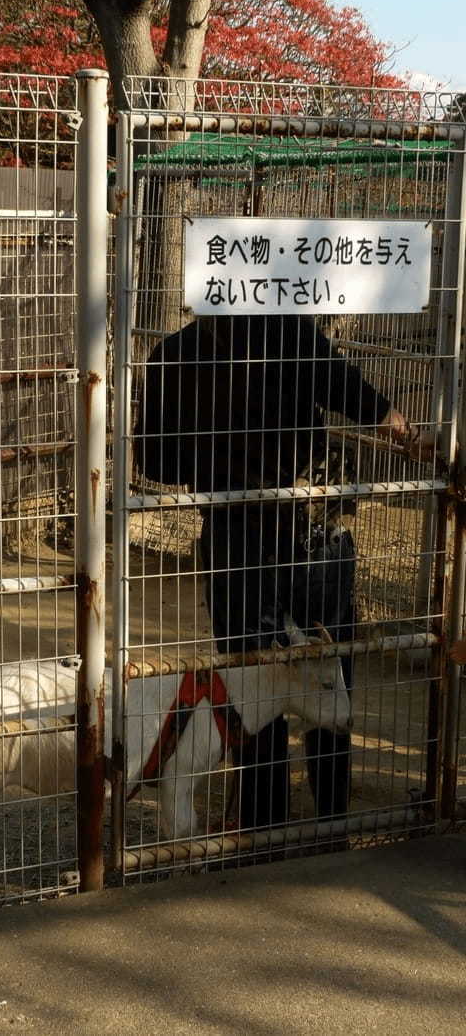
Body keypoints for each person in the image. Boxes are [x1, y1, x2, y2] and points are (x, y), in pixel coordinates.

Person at [134, 313, 410, 830]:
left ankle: (261, 831)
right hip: (313, 533)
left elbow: (154, 460)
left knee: (251, 686)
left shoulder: (173, 352)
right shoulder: (291, 331)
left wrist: (216, 455)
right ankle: (331, 825)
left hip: (235, 537)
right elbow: (355, 396)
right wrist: (397, 423)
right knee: (329, 671)